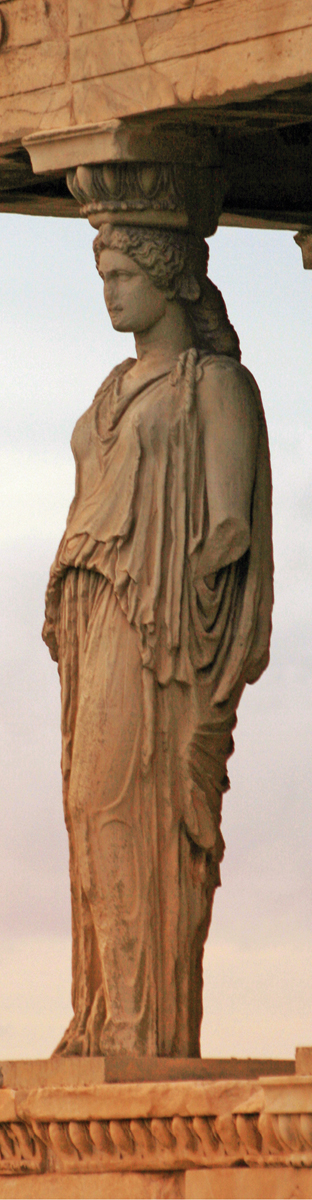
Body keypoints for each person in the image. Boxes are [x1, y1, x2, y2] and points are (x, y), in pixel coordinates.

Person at [43, 223, 273, 1057]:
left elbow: (228, 531)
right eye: (104, 271)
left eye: (126, 270)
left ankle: (144, 1025)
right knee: (86, 808)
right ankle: (102, 1014)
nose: (110, 287)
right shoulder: (112, 388)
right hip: (97, 619)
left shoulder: (215, 387)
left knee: (118, 807)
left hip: (161, 633)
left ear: (171, 275)